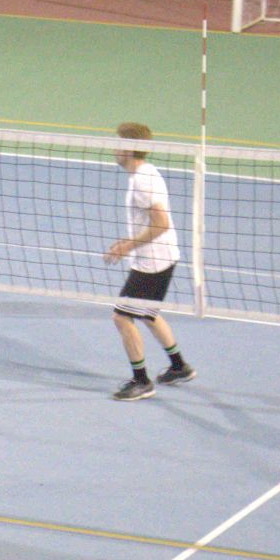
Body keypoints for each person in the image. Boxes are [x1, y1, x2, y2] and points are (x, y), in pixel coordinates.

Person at [102, 123, 194, 401]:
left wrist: (128, 246)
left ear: (129, 149)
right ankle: (179, 366)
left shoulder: (142, 181)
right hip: (162, 257)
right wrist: (129, 242)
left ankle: (141, 381)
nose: (114, 149)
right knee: (148, 313)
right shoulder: (146, 173)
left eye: (119, 144)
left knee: (122, 317)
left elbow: (161, 223)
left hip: (152, 262)